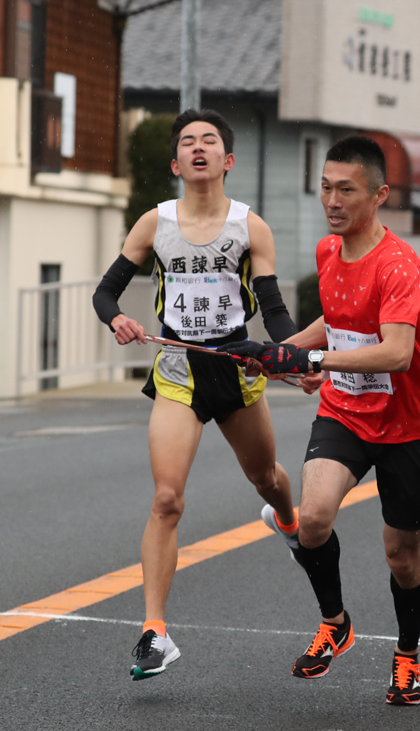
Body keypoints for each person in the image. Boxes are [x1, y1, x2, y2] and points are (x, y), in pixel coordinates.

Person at [225, 136, 420, 706]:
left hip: (407, 425)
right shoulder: (328, 252)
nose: (332, 199)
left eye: (346, 189)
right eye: (325, 187)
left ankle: (407, 658)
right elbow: (337, 319)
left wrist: (311, 360)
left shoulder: (400, 266)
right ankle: (336, 622)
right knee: (312, 519)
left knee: (402, 556)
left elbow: (396, 353)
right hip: (345, 410)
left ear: (379, 195)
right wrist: (278, 352)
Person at [91, 108, 300, 681]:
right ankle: (155, 633)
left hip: (234, 365)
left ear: (227, 161)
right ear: (176, 162)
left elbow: (276, 312)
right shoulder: (153, 223)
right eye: (188, 142)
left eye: (210, 141)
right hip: (178, 368)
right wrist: (118, 322)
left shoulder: (249, 227)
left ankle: (285, 518)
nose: (199, 148)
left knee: (265, 478)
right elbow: (105, 294)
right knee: (166, 498)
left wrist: (294, 358)